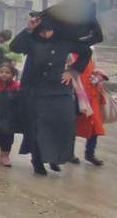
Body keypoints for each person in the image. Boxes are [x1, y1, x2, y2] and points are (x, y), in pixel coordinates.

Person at [9, 15, 91, 175]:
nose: (46, 34)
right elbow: (15, 47)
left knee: (62, 124)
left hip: (58, 91)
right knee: (38, 128)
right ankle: (37, 160)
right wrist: (29, 29)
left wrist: (73, 71)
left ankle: (55, 157)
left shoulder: (64, 42)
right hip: (35, 90)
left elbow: (86, 52)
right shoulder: (31, 40)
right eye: (42, 31)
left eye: (49, 31)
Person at [72, 51, 106, 166]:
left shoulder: (89, 52)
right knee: (72, 125)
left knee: (95, 126)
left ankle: (90, 153)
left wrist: (97, 76)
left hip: (92, 94)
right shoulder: (70, 54)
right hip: (78, 95)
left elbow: (93, 69)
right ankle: (69, 153)